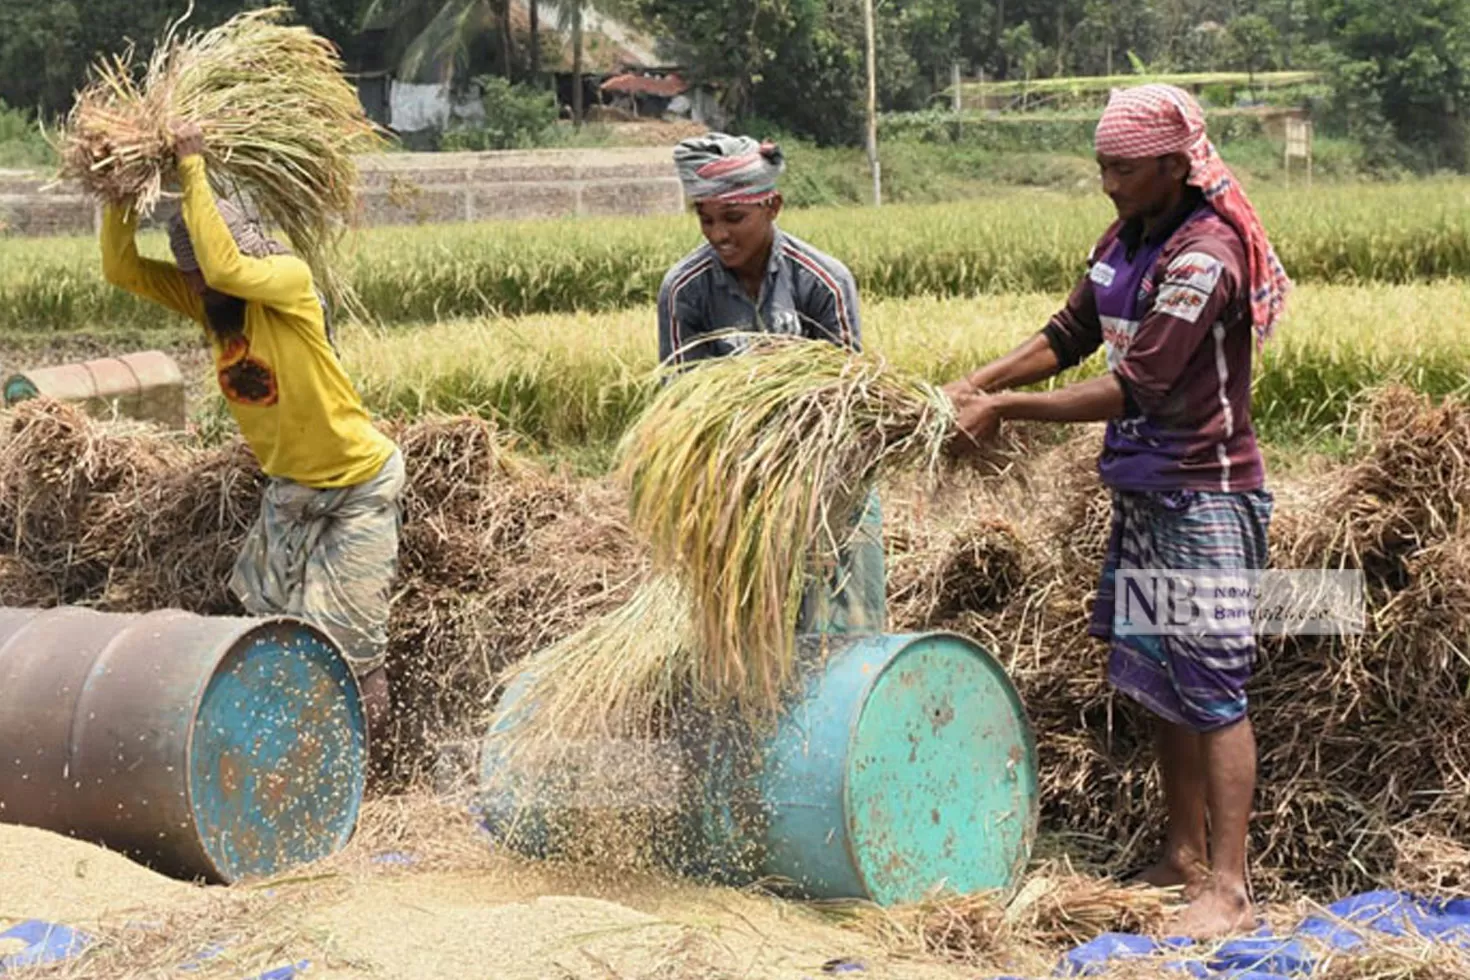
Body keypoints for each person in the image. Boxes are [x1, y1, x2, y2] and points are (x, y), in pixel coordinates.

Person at [942, 85, 1292, 939]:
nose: (1107, 181)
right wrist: (975, 383)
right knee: (1165, 686)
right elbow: (1068, 334)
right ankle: (1180, 858)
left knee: (1213, 688)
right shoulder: (1124, 239)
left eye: (1123, 167)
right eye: (1101, 164)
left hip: (1204, 497)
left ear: (1174, 166)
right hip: (1141, 492)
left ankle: (1230, 887)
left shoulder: (1206, 254)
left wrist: (1007, 413)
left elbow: (1141, 382)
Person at [100, 122, 402, 746]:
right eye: (191, 279)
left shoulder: (286, 285)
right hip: (291, 493)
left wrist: (191, 167)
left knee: (345, 647)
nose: (199, 286)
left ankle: (357, 772)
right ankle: (281, 755)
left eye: (203, 276)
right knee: (262, 636)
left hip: (358, 489)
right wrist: (118, 196)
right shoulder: (209, 304)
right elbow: (121, 269)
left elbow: (225, 264)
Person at [660, 133, 883, 634]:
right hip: (732, 498)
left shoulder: (822, 281)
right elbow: (680, 412)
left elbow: (848, 405)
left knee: (846, 635)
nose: (718, 234)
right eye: (706, 218)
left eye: (734, 218)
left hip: (831, 491)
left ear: (773, 205)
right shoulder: (684, 290)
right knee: (750, 643)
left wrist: (813, 501)